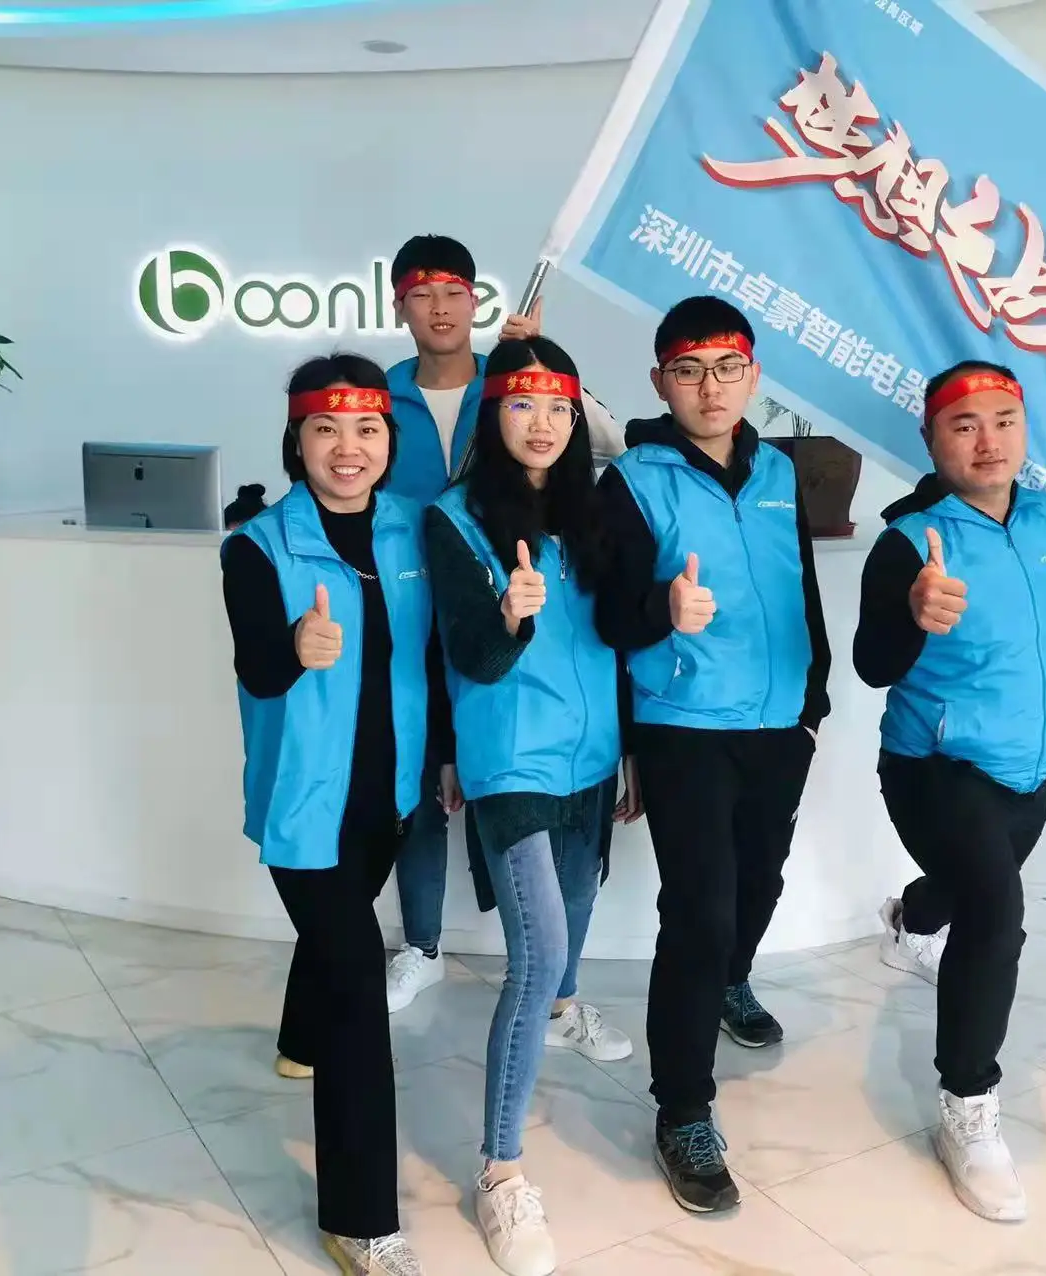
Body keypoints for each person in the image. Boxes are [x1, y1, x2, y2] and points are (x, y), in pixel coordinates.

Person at [853, 360, 1046, 1223]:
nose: (988, 441)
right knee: (997, 916)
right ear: (931, 440)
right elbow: (871, 665)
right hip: (933, 767)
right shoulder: (910, 542)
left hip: (1025, 773)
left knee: (970, 889)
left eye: (1004, 421)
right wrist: (913, 612)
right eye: (964, 425)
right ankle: (968, 1108)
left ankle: (912, 917)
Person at [595, 295, 831, 1214]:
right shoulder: (634, 481)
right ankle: (683, 1109)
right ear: (661, 382)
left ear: (753, 376)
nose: (710, 388)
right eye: (689, 371)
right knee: (698, 910)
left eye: (728, 368)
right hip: (684, 725)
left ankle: (734, 980)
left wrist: (813, 702)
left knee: (759, 883)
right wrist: (663, 610)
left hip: (778, 725)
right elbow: (608, 618)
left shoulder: (778, 471)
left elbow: (801, 586)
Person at [424, 336, 642, 1276]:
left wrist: (631, 747)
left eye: (559, 406)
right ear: (493, 415)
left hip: (591, 756)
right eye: (521, 403)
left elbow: (616, 638)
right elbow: (467, 654)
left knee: (578, 916)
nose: (543, 423)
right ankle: (502, 1171)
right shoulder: (455, 518)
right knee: (540, 953)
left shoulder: (595, 509)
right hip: (510, 758)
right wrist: (512, 614)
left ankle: (562, 1011)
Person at [220, 354, 434, 1276]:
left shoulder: (414, 529)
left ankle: (294, 1040)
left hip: (388, 798)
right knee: (357, 992)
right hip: (305, 809)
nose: (349, 449)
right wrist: (294, 646)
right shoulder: (258, 546)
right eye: (326, 429)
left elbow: (434, 658)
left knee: (336, 948)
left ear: (389, 439)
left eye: (367, 429)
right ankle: (360, 1218)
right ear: (297, 440)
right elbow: (256, 667)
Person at [381, 235, 627, 1015]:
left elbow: (607, 445)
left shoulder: (514, 383)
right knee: (420, 789)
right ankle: (421, 946)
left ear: (475, 301)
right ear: (399, 304)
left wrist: (538, 363)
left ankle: (555, 990)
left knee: (496, 781)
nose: (440, 307)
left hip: (506, 614)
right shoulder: (381, 398)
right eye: (422, 293)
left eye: (454, 291)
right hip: (408, 609)